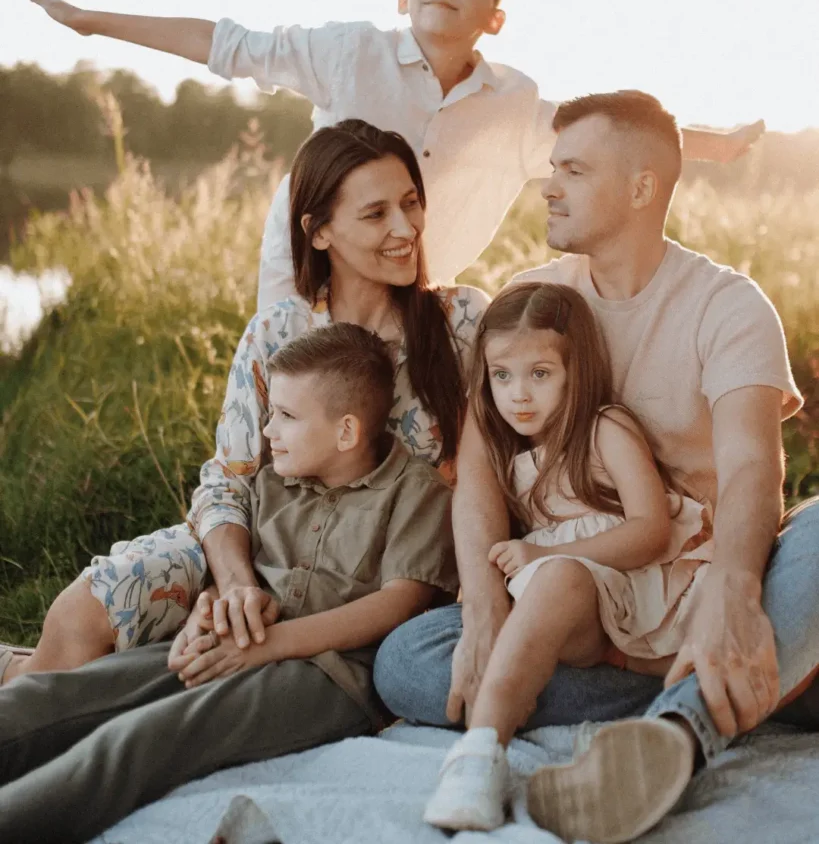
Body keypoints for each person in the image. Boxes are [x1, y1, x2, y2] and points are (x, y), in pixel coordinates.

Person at [374, 91, 819, 844]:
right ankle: (754, 681)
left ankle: (679, 731)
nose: (547, 185)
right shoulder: (531, 302)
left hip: (700, 574)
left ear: (641, 187)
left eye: (572, 170)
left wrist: (737, 593)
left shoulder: (726, 305)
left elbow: (752, 470)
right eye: (551, 167)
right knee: (407, 661)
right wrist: (482, 609)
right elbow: (479, 472)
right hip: (582, 598)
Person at [28, 0, 764, 313]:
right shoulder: (348, 52)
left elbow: (607, 138)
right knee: (294, 407)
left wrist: (716, 146)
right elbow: (225, 44)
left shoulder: (511, 103)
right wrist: (93, 21)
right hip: (308, 269)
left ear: (495, 15)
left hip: (416, 291)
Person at [0, 119, 487, 685]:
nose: (407, 227)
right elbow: (228, 481)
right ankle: (23, 681)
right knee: (89, 608)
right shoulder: (277, 332)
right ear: (320, 232)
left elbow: (492, 470)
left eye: (410, 203)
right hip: (261, 547)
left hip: (386, 567)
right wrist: (234, 586)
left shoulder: (465, 323)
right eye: (376, 213)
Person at [0, 321, 460, 844]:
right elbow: (240, 581)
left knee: (143, 738)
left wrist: (269, 647)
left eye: (285, 416)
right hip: (237, 642)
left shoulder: (417, 493)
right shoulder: (275, 482)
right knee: (61, 694)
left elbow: (397, 605)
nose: (267, 432)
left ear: (347, 432)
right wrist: (208, 612)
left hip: (327, 677)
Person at [423, 282, 714, 832]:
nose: (519, 396)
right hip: (590, 625)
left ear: (575, 371)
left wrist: (545, 552)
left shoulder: (606, 428)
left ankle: (483, 747)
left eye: (540, 374)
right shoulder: (513, 458)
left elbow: (650, 530)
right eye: (502, 376)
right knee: (411, 654)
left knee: (555, 577)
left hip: (647, 589)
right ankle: (483, 751)